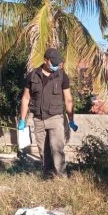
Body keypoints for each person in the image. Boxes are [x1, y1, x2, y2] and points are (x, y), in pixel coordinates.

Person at [18, 48, 79, 177]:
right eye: (54, 63)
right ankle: (49, 178)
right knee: (43, 152)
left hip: (56, 118)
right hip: (38, 119)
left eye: (59, 63)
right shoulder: (32, 76)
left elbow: (68, 99)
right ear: (46, 60)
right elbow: (25, 98)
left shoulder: (62, 76)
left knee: (57, 150)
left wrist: (71, 119)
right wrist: (22, 119)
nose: (57, 65)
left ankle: (62, 179)